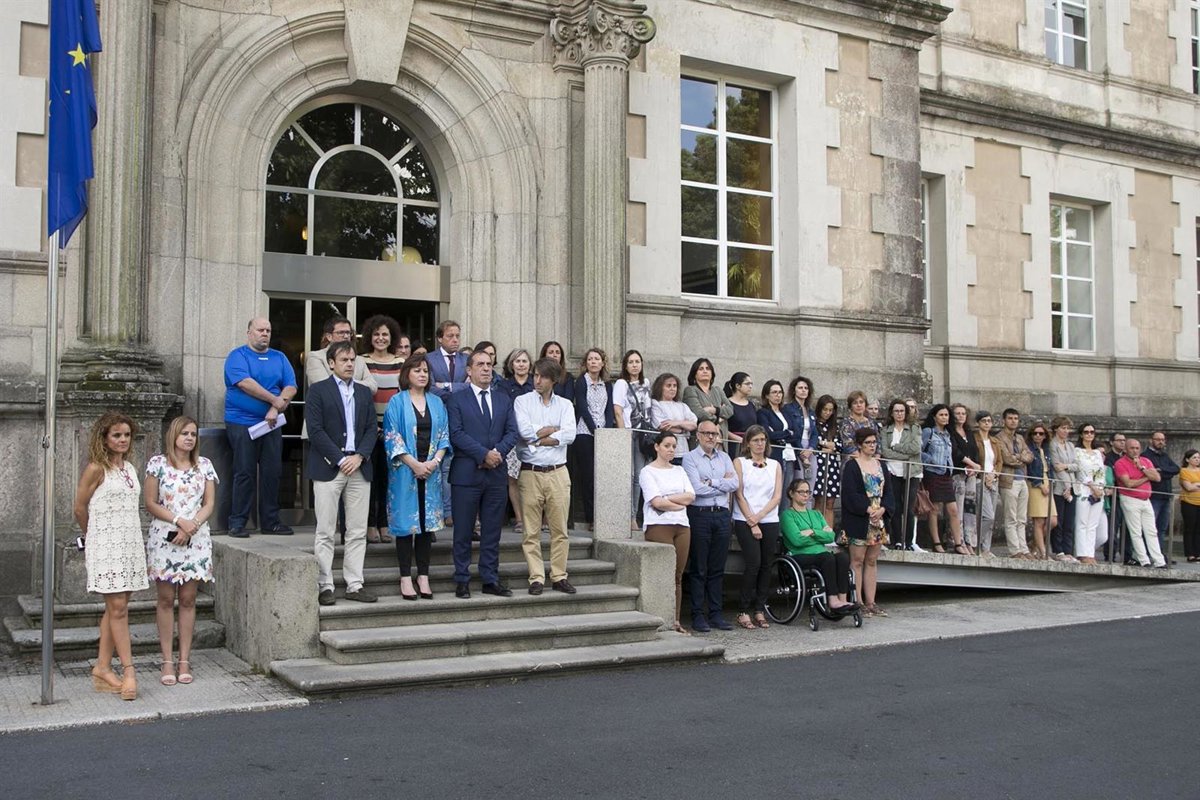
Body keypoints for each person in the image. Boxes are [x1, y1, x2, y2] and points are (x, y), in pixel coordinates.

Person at [72, 411, 148, 701]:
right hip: (105, 546)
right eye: (116, 435)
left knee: (116, 608)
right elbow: (79, 507)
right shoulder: (96, 469)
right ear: (104, 438)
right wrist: (93, 536)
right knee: (118, 608)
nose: (122, 440)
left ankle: (102, 668)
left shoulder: (129, 468)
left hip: (129, 545)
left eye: (126, 435)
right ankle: (129, 671)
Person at [143, 416, 218, 687]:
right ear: (173, 435)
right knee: (165, 599)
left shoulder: (204, 465)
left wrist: (191, 525)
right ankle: (166, 660)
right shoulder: (157, 464)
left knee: (188, 599)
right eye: (184, 433)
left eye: (193, 434)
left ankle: (184, 659)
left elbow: (209, 503)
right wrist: (178, 521)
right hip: (165, 538)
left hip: (195, 538)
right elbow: (150, 502)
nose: (189, 438)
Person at [307, 341, 378, 606]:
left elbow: (371, 429)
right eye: (344, 360)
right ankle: (325, 585)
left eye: (352, 360)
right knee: (325, 530)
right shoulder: (318, 390)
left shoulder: (363, 392)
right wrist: (340, 459)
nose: (349, 364)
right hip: (329, 467)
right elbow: (315, 430)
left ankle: (354, 584)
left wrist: (359, 456)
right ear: (331, 363)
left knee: (357, 530)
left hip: (359, 467)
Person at [447, 350, 521, 598]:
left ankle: (490, 578)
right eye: (480, 364)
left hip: (496, 474)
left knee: (492, 531)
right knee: (463, 531)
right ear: (469, 370)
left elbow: (512, 432)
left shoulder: (503, 399)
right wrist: (483, 454)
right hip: (466, 474)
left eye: (489, 364)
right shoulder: (456, 399)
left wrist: (496, 454)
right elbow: (456, 433)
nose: (486, 368)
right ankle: (462, 579)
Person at [223, 317, 297, 537]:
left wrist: (275, 408)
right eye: (260, 330)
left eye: (268, 330)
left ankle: (270, 522)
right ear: (249, 332)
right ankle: (237, 522)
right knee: (244, 471)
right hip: (241, 422)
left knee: (272, 472)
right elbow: (245, 384)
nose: (265, 333)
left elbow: (291, 386)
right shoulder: (237, 356)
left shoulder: (279, 357)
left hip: (271, 424)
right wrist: (275, 400)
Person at [383, 355, 449, 600]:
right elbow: (392, 436)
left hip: (430, 471)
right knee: (405, 525)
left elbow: (444, 436)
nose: (422, 374)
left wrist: (433, 462)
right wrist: (414, 464)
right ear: (407, 374)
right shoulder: (396, 401)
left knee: (425, 526)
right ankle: (404, 577)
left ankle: (423, 576)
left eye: (425, 371)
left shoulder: (437, 402)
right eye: (417, 370)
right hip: (405, 471)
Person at [515, 358, 577, 595]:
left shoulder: (565, 405)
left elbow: (570, 434)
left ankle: (559, 575)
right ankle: (536, 578)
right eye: (535, 375)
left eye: (542, 376)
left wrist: (540, 438)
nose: (537, 380)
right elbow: (525, 432)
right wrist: (553, 430)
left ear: (553, 380)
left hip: (558, 471)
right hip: (530, 471)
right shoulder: (522, 401)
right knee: (531, 531)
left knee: (559, 529)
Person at [682, 420, 738, 633]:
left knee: (717, 568)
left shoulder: (725, 457)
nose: (711, 437)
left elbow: (735, 484)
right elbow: (696, 489)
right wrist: (721, 483)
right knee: (699, 568)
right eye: (706, 433)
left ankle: (716, 614)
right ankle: (697, 615)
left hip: (722, 515)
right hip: (700, 515)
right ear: (698, 435)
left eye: (714, 434)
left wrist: (711, 482)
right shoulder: (689, 458)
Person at [639, 431, 697, 633]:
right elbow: (656, 502)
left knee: (677, 575)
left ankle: (675, 619)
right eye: (667, 445)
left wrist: (668, 499)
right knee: (662, 573)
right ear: (657, 447)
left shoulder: (679, 470)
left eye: (673, 446)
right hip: (658, 524)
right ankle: (657, 617)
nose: (671, 449)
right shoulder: (647, 471)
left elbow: (691, 496)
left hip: (682, 525)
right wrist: (676, 502)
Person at [731, 425, 783, 630]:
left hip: (768, 518)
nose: (760, 444)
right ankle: (743, 610)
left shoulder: (775, 465)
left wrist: (760, 517)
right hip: (744, 517)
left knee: (766, 565)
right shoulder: (740, 462)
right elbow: (739, 493)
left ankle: (760, 608)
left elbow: (777, 496)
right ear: (748, 443)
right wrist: (752, 521)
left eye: (763, 440)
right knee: (753, 563)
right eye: (755, 440)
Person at [779, 479, 858, 613]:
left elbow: (831, 536)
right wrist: (821, 535)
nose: (806, 495)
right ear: (791, 493)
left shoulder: (816, 514)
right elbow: (797, 540)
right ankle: (833, 600)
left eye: (808, 492)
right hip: (799, 555)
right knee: (827, 557)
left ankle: (843, 599)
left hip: (821, 553)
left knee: (843, 557)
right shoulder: (787, 515)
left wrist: (812, 532)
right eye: (801, 492)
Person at [362, 314, 405, 544]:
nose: (380, 338)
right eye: (376, 334)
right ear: (370, 336)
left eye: (385, 334)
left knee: (388, 480)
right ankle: (370, 524)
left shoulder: (400, 362)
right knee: (369, 479)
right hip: (368, 429)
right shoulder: (361, 361)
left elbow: (403, 397)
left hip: (392, 430)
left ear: (392, 337)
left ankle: (384, 522)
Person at [842, 427, 893, 616]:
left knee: (871, 560)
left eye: (874, 442)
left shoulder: (881, 465)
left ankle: (871, 602)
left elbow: (889, 492)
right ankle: (858, 601)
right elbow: (850, 493)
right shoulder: (852, 466)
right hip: (860, 518)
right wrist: (868, 509)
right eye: (868, 443)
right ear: (860, 445)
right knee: (857, 560)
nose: (872, 446)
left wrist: (883, 509)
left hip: (878, 519)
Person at [427, 320, 469, 524]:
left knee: (456, 465)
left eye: (457, 336)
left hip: (461, 418)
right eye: (450, 336)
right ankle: (444, 511)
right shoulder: (429, 359)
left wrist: (446, 386)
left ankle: (456, 511)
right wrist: (457, 387)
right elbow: (429, 387)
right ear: (439, 338)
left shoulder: (466, 360)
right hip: (437, 416)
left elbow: (472, 386)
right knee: (440, 465)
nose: (455, 340)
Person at [572, 347, 616, 530]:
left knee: (603, 475)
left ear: (602, 363)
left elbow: (609, 409)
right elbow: (582, 408)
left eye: (597, 359)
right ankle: (591, 518)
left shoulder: (607, 385)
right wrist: (594, 430)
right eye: (590, 359)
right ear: (586, 363)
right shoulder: (581, 382)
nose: (593, 362)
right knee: (588, 476)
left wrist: (606, 430)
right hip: (584, 432)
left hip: (603, 432)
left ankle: (605, 516)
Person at [614, 349, 653, 530]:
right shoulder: (621, 383)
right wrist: (623, 435)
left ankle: (634, 516)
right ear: (625, 365)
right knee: (628, 475)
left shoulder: (646, 382)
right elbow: (618, 411)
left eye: (637, 361)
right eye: (631, 362)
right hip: (629, 432)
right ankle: (626, 516)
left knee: (639, 476)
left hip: (644, 434)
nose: (635, 365)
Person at [921, 404, 968, 555]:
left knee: (953, 510)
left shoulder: (948, 434)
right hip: (933, 473)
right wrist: (931, 460)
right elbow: (919, 451)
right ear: (934, 417)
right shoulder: (928, 432)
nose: (944, 417)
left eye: (946, 415)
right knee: (934, 509)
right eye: (941, 415)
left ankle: (958, 543)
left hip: (946, 474)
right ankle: (936, 543)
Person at [497, 348, 535, 532]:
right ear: (512, 365)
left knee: (532, 479)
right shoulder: (504, 386)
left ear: (530, 364)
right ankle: (519, 519)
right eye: (517, 361)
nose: (521, 364)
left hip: (533, 438)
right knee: (513, 479)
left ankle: (532, 519)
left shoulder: (535, 384)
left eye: (524, 361)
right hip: (512, 438)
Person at [1113, 438, 1167, 568]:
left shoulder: (1146, 461)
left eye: (1137, 448)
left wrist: (1142, 468)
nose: (1135, 451)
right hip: (1130, 499)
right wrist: (1146, 477)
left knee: (1151, 531)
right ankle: (1144, 560)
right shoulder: (1120, 463)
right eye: (1132, 448)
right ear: (1126, 449)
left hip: (1145, 500)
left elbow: (1157, 478)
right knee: (1136, 532)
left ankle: (1159, 561)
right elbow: (1128, 483)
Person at [880, 399, 920, 550]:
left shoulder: (914, 428)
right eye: (896, 411)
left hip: (911, 472)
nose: (899, 414)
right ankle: (897, 540)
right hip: (893, 471)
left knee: (908, 508)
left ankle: (908, 542)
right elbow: (885, 452)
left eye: (902, 411)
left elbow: (915, 448)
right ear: (892, 413)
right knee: (895, 507)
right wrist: (905, 455)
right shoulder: (886, 430)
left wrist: (896, 447)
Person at [995, 408, 1034, 559]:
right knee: (1011, 517)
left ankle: (1024, 549)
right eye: (1010, 418)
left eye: (1015, 418)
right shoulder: (999, 437)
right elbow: (1006, 458)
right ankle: (1014, 550)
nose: (1013, 421)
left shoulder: (1020, 438)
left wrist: (1018, 457)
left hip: (1022, 479)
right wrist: (1021, 458)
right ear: (1004, 420)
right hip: (1009, 480)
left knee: (1022, 518)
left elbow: (1030, 456)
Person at [1073, 422, 1108, 565]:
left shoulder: (1097, 453)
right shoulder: (1077, 451)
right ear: (1081, 434)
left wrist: (1099, 488)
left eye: (1092, 432)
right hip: (1084, 489)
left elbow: (1101, 472)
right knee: (1082, 522)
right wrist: (1092, 486)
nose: (1089, 434)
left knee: (1093, 525)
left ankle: (1090, 553)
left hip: (1098, 491)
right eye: (1086, 432)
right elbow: (1080, 471)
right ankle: (1082, 553)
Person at [781, 376, 818, 506]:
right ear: (794, 390)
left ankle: (807, 513)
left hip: (810, 449)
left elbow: (815, 433)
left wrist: (811, 449)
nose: (803, 390)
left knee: (810, 484)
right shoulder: (788, 409)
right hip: (796, 448)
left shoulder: (810, 411)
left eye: (806, 388)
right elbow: (792, 431)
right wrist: (801, 452)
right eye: (800, 388)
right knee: (798, 483)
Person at [949, 403, 981, 551]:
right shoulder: (951, 432)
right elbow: (956, 452)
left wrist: (974, 467)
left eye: (963, 413)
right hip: (958, 473)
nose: (961, 416)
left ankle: (970, 541)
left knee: (970, 508)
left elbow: (975, 451)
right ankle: (958, 540)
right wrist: (971, 464)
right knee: (958, 508)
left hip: (971, 474)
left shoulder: (968, 432)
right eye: (957, 413)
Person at [682, 357, 733, 449]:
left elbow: (730, 410)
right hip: (701, 442)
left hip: (721, 440)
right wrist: (718, 419)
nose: (705, 371)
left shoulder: (718, 390)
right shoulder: (690, 390)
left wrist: (713, 410)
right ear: (694, 374)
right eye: (701, 369)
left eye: (708, 368)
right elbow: (699, 413)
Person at [757, 379, 799, 489]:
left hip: (789, 454)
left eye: (780, 392)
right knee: (774, 487)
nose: (778, 395)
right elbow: (768, 435)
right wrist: (787, 432)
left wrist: (781, 435)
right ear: (767, 395)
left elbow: (796, 434)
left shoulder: (786, 412)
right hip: (775, 453)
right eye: (774, 392)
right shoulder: (763, 413)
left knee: (787, 489)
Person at [1145, 431, 1180, 557]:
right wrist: (1164, 472)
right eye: (1158, 439)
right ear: (1151, 440)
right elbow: (1152, 474)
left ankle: (1159, 553)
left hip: (1166, 495)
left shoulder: (1164, 455)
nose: (1161, 442)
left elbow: (1176, 469)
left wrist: (1161, 470)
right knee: (1151, 527)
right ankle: (1149, 553)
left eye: (1162, 440)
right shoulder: (1146, 455)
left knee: (1162, 528)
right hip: (1154, 495)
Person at [1048, 415, 1078, 562]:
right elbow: (1056, 466)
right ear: (1056, 429)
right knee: (1058, 521)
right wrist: (1067, 486)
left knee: (1069, 521)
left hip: (1072, 487)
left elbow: (1077, 465)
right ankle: (1058, 550)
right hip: (1059, 487)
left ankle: (1068, 550)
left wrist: (1066, 466)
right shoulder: (1052, 445)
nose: (1066, 431)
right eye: (1063, 428)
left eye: (1067, 428)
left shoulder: (1071, 446)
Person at [1025, 423, 1057, 559]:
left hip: (1047, 482)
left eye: (1041, 433)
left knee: (1053, 521)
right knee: (1039, 521)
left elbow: (1050, 469)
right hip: (1035, 484)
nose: (1038, 436)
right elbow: (1029, 470)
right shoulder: (1029, 449)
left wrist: (1050, 483)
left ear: (1045, 436)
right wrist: (1039, 484)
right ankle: (1044, 553)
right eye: (1035, 433)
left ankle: (1034, 543)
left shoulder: (1046, 449)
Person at [650, 372, 698, 461]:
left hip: (684, 451)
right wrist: (683, 429)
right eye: (669, 386)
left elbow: (694, 424)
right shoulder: (656, 404)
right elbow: (663, 426)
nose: (672, 389)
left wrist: (676, 423)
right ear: (660, 387)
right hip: (665, 452)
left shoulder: (682, 405)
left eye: (675, 386)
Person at [971, 411, 1000, 558]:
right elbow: (976, 459)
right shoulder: (974, 439)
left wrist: (994, 474)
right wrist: (984, 476)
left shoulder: (994, 441)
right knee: (988, 516)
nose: (987, 423)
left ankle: (986, 548)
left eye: (989, 421)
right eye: (984, 421)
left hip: (993, 480)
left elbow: (999, 461)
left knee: (991, 517)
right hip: (980, 479)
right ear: (978, 423)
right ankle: (975, 543)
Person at [812, 394, 841, 526]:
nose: (827, 413)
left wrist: (831, 446)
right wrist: (827, 444)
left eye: (830, 410)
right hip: (819, 463)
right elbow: (815, 442)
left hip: (832, 466)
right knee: (818, 500)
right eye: (825, 409)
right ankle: (816, 530)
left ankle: (829, 533)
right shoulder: (814, 423)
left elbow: (840, 445)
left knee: (830, 502)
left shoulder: (835, 426)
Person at [838, 390, 878, 457]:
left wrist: (876, 457)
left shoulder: (872, 423)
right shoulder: (846, 423)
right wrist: (862, 459)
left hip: (871, 459)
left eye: (861, 402)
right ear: (851, 406)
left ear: (865, 405)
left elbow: (878, 442)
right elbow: (848, 445)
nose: (859, 405)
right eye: (855, 403)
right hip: (853, 459)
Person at [723, 372, 757, 446]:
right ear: (738, 386)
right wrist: (740, 440)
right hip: (734, 444)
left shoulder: (751, 405)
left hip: (751, 443)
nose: (750, 386)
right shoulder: (727, 404)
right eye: (747, 384)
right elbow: (722, 427)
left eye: (751, 384)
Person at [1178, 449, 1200, 562]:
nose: (1197, 460)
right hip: (1189, 502)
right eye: (1194, 458)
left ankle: (1198, 553)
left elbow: (1193, 486)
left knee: (1198, 529)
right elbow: (1189, 487)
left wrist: (1195, 484)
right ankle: (1190, 553)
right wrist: (1195, 485)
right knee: (1189, 528)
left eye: (1198, 457)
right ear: (1187, 459)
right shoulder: (1184, 471)